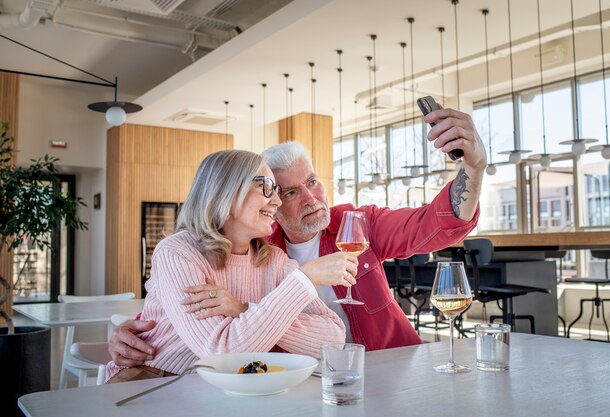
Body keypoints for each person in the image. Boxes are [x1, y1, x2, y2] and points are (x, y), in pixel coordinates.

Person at [109, 105, 486, 367]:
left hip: (385, 361)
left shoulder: (355, 224)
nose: (310, 198)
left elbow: (436, 223)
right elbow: (185, 312)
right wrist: (126, 335)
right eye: (287, 192)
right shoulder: (257, 247)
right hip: (296, 378)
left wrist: (474, 167)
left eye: (312, 182)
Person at [106, 150, 356, 382]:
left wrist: (242, 309)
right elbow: (220, 352)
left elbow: (334, 339)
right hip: (149, 382)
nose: (277, 202)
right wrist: (303, 281)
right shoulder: (177, 253)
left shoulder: (274, 260)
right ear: (225, 191)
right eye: (266, 187)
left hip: (222, 388)